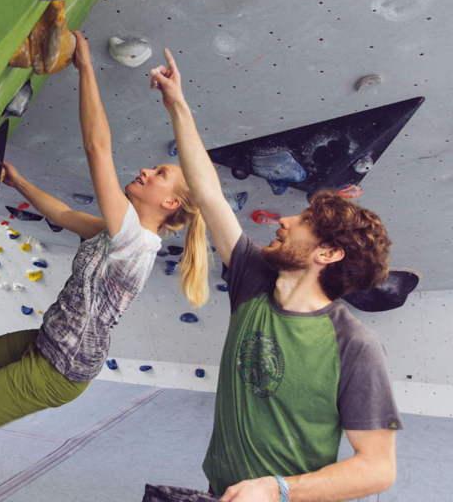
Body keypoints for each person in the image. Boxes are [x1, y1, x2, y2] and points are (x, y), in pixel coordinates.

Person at [0, 32, 210, 502]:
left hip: (58, 371)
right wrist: (20, 182)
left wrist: (86, 68)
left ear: (169, 203)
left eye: (160, 175)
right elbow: (64, 215)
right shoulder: (115, 233)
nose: (147, 171)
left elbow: (97, 149)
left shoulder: (134, 241)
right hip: (48, 344)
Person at [149, 49, 401, 502]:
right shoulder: (254, 278)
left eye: (302, 222)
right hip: (223, 492)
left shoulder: (354, 345)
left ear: (328, 252)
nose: (283, 220)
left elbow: (378, 468)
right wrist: (177, 104)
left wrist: (278, 489)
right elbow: (208, 194)